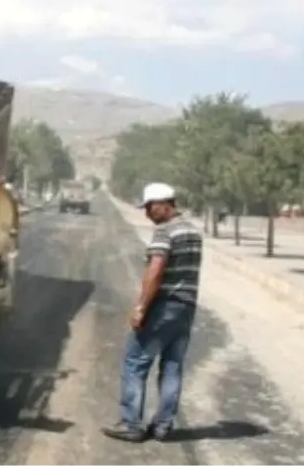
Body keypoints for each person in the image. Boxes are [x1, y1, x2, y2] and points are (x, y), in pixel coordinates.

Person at [102, 182, 203, 443]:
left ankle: (131, 424)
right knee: (172, 366)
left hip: (165, 305)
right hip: (186, 308)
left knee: (135, 362)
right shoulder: (192, 231)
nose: (147, 212)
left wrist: (141, 307)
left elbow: (156, 270)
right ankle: (163, 426)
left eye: (149, 207)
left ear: (165, 204)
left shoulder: (164, 231)